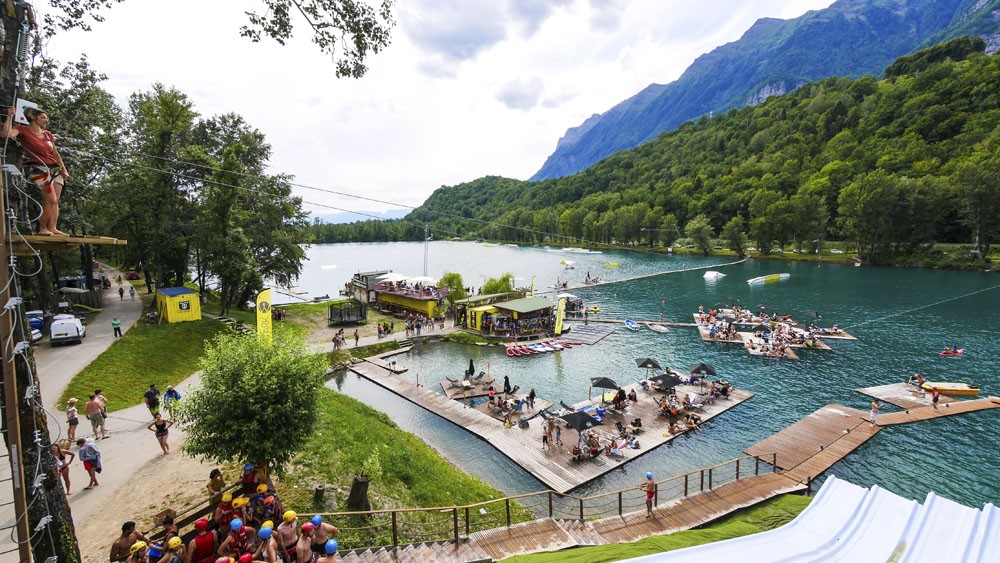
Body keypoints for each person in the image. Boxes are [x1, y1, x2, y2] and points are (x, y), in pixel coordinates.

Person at [2, 106, 70, 235]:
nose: (46, 120)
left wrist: (64, 170)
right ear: (33, 117)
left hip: (55, 169)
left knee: (56, 202)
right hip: (39, 169)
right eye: (43, 117)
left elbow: (55, 154)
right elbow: (6, 134)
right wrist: (9, 116)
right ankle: (43, 228)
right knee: (51, 200)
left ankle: (53, 227)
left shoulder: (48, 134)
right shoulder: (22, 130)